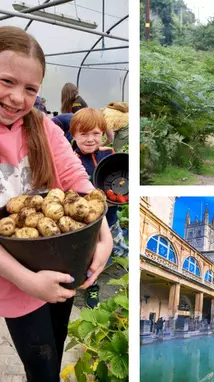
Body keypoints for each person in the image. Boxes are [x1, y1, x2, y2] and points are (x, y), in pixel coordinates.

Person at [0, 26, 113, 382]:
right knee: (41, 363)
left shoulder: (44, 128)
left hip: (61, 264)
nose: (18, 98)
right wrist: (27, 281)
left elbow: (77, 179)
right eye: (6, 81)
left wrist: (102, 232)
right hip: (12, 280)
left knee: (57, 342)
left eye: (30, 89)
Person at [70, 108, 128, 308]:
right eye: (83, 134)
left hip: (110, 218)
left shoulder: (109, 154)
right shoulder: (70, 160)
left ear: (103, 134)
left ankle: (129, 274)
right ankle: (91, 286)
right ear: (74, 134)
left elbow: (121, 183)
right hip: (87, 226)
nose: (90, 139)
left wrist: (121, 199)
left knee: (120, 247)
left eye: (95, 133)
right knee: (90, 258)